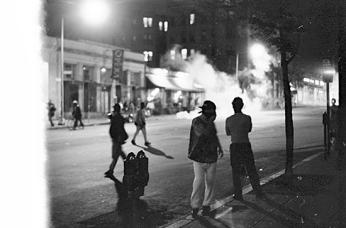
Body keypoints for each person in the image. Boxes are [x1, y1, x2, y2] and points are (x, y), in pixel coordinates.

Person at [188, 100, 223, 218]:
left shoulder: (210, 122)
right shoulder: (197, 121)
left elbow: (214, 135)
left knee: (210, 181)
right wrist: (210, 121)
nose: (213, 113)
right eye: (212, 111)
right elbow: (203, 133)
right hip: (198, 157)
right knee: (198, 181)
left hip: (212, 156)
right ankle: (195, 206)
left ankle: (207, 205)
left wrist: (220, 147)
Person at [225, 97, 264, 200]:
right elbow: (249, 129)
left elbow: (228, 133)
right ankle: (258, 192)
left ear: (233, 106)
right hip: (245, 145)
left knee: (236, 172)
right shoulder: (247, 118)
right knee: (251, 169)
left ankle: (238, 194)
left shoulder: (229, 119)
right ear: (242, 106)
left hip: (235, 146)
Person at [105, 103, 128, 177]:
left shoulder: (117, 117)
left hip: (117, 139)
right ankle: (131, 165)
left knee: (115, 155)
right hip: (117, 138)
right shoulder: (117, 117)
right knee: (120, 154)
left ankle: (111, 170)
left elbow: (119, 128)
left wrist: (119, 138)